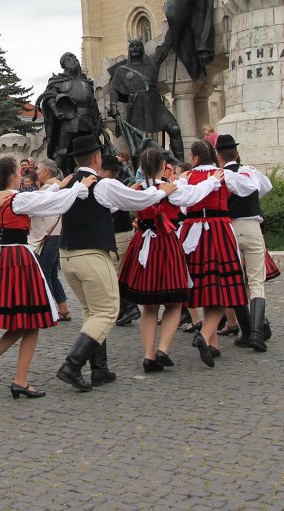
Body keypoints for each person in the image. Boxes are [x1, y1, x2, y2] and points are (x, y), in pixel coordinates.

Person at [54, 135, 173, 393]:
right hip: (91, 255)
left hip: (67, 256)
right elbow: (136, 200)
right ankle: (72, 365)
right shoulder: (101, 184)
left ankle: (100, 369)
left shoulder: (69, 184)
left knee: (91, 311)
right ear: (97, 158)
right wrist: (161, 191)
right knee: (107, 311)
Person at [0, 157, 91, 399]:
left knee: (24, 320)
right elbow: (47, 202)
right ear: (14, 176)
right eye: (19, 172)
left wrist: (61, 185)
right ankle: (19, 380)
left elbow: (41, 198)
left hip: (3, 257)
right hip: (18, 258)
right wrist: (79, 187)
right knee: (31, 320)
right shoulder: (17, 198)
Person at [117, 147, 190, 372]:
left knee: (149, 306)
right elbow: (192, 198)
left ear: (141, 168)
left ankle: (148, 355)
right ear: (162, 166)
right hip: (166, 244)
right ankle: (163, 348)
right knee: (175, 300)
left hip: (143, 244)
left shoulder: (137, 189)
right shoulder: (172, 189)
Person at [175, 140, 245, 368]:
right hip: (219, 229)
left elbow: (182, 204)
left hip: (192, 233)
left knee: (205, 285)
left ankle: (213, 344)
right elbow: (253, 189)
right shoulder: (221, 174)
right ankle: (206, 336)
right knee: (221, 286)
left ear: (194, 158)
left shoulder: (188, 178)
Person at [216, 134, 274, 352]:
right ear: (237, 153)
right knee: (256, 281)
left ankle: (246, 332)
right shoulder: (249, 171)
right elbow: (265, 188)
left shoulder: (218, 175)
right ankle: (258, 334)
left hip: (229, 228)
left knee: (235, 281)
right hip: (251, 226)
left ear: (219, 157)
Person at [102, 154, 141, 328]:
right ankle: (123, 308)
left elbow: (118, 205)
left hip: (119, 234)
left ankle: (129, 306)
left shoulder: (113, 186)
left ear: (108, 172)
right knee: (117, 272)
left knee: (114, 273)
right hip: (118, 233)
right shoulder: (110, 185)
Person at [30, 159, 70, 320]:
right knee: (51, 273)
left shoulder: (50, 188)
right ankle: (63, 309)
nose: (37, 172)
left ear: (47, 171)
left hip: (48, 234)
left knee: (45, 272)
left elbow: (34, 203)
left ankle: (49, 309)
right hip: (54, 234)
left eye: (39, 170)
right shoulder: (56, 186)